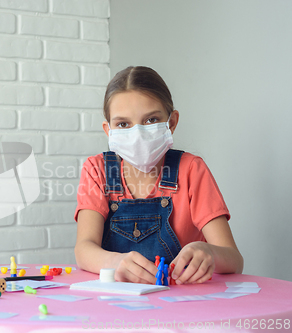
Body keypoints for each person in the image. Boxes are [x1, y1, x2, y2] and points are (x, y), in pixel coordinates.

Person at [74, 66, 243, 285]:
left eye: (151, 120)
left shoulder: (191, 170)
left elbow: (234, 260)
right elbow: (84, 249)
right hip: (115, 303)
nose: (137, 134)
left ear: (171, 122)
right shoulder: (97, 170)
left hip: (181, 304)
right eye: (123, 124)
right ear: (109, 130)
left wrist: (209, 253)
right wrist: (116, 262)